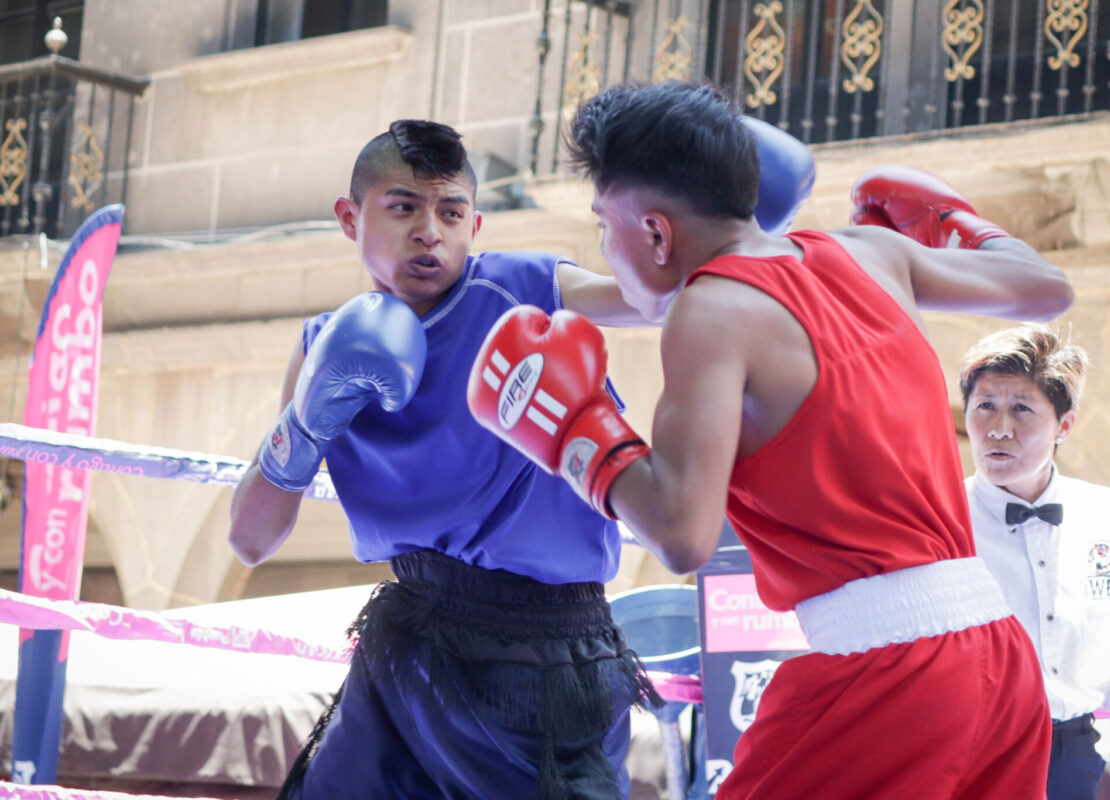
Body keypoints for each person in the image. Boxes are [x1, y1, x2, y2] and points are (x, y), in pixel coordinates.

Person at [467, 80, 1075, 799]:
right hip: (999, 656)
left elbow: (682, 534)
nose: (605, 246)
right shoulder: (870, 252)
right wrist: (949, 220)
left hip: (886, 674)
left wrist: (578, 435)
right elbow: (1044, 287)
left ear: (656, 233)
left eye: (605, 224)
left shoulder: (710, 310)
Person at [228, 116, 814, 800]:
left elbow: (654, 296)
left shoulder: (522, 289)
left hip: (544, 659)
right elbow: (249, 541)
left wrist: (731, 228)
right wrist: (307, 421)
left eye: (451, 212)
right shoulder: (323, 345)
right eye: (403, 208)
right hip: (409, 643)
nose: (429, 232)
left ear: (475, 227)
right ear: (349, 218)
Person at [960, 324, 1110, 800]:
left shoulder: (1109, 514)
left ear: (1064, 425)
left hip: (1077, 755)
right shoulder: (940, 519)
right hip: (966, 754)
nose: (999, 427)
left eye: (1022, 408)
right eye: (985, 406)